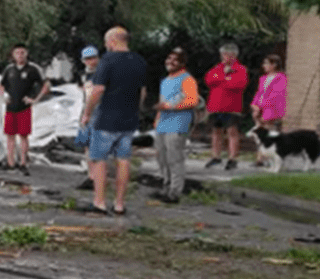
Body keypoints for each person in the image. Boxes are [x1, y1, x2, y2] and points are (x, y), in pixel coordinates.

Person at [80, 27, 148, 215]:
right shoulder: (139, 61)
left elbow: (98, 89)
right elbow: (142, 92)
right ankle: (119, 204)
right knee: (123, 160)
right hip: (129, 120)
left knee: (99, 160)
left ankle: (99, 202)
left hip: (106, 119)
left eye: (105, 42)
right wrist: (137, 110)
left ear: (112, 41)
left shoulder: (107, 60)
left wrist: (87, 112)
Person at [153, 47, 199, 204]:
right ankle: (165, 185)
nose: (170, 62)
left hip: (178, 124)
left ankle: (175, 191)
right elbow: (162, 101)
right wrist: (158, 117)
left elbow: (192, 100)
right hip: (163, 123)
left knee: (175, 158)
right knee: (161, 157)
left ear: (182, 63)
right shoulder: (165, 80)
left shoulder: (187, 79)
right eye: (169, 58)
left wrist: (170, 107)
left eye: (175, 60)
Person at [0, 44, 48, 175]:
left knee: (24, 136)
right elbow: (1, 85)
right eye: (17, 53)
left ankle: (23, 163)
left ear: (27, 54)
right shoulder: (9, 69)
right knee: (10, 136)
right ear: (13, 55)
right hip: (10, 107)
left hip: (24, 108)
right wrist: (3, 96)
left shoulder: (33, 69)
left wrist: (35, 99)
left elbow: (45, 85)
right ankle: (10, 163)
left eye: (22, 52)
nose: (20, 55)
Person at [204, 42, 248, 170]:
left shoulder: (240, 69)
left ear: (233, 55)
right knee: (216, 132)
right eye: (223, 54)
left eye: (227, 54)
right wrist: (225, 78)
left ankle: (232, 158)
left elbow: (238, 84)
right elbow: (209, 79)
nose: (224, 57)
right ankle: (216, 156)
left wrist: (221, 80)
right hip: (215, 105)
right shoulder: (217, 68)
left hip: (231, 106)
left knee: (232, 132)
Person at [250, 54, 287, 132]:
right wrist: (254, 105)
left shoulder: (281, 78)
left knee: (269, 132)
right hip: (260, 110)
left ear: (274, 65)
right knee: (261, 133)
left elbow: (276, 95)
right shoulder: (263, 78)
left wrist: (260, 108)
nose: (264, 66)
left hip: (271, 110)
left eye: (266, 63)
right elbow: (259, 93)